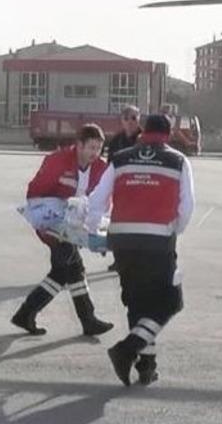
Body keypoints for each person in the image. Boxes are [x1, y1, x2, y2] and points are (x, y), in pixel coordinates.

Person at [87, 114, 195, 386]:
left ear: (142, 132)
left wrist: (92, 231)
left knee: (138, 303)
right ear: (168, 134)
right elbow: (187, 207)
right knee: (170, 301)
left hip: (122, 240)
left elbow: (98, 199)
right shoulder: (178, 160)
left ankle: (146, 366)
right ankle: (127, 350)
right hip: (158, 240)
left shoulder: (121, 158)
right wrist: (175, 230)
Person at [10, 124, 115, 337]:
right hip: (51, 224)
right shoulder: (57, 161)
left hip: (74, 226)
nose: (95, 153)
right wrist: (47, 223)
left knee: (63, 271)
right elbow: (35, 195)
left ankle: (26, 313)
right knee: (72, 267)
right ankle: (87, 320)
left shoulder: (101, 168)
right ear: (78, 145)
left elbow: (102, 204)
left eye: (99, 148)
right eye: (91, 147)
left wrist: (96, 233)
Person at [103, 105, 141, 272]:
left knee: (137, 225)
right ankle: (119, 259)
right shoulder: (116, 140)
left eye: (134, 118)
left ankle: (136, 258)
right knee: (118, 224)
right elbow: (109, 164)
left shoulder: (144, 139)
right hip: (120, 188)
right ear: (122, 121)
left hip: (140, 187)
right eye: (127, 118)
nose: (130, 122)